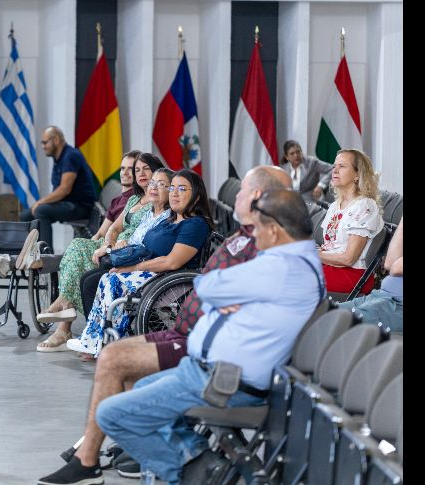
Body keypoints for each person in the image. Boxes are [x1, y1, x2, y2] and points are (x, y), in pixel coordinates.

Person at [36, 165, 291, 485]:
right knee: (117, 356)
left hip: (212, 354)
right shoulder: (245, 237)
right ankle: (136, 451)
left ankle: (122, 459)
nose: (233, 195)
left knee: (117, 365)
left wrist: (216, 294)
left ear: (256, 196)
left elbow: (220, 289)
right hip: (192, 332)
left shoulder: (272, 248)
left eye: (240, 191)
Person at [94, 189, 323, 485]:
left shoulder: (281, 267)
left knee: (111, 413)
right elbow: (209, 285)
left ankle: (194, 469)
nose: (254, 236)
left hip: (224, 381)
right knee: (143, 387)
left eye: (258, 228)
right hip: (211, 372)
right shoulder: (293, 262)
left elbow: (207, 286)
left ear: (275, 231)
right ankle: (197, 463)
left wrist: (223, 291)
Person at [65, 168, 213, 358]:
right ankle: (96, 339)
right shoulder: (171, 220)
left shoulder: (194, 225)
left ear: (197, 196)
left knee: (112, 280)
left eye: (182, 189)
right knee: (107, 277)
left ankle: (104, 342)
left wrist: (133, 267)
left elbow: (172, 261)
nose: (174, 193)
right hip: (152, 270)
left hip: (166, 277)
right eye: (173, 188)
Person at [28, 153, 166, 352]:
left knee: (79, 256)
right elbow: (115, 227)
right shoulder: (135, 198)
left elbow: (147, 232)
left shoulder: (157, 199)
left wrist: (111, 247)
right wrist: (106, 244)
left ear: (157, 172)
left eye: (146, 169)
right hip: (112, 244)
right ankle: (65, 308)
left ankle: (63, 307)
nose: (141, 174)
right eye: (137, 170)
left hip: (129, 248)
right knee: (77, 246)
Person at [0, 150, 145, 280]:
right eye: (122, 168)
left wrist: (95, 246)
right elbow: (101, 232)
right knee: (73, 251)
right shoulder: (118, 200)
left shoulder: (136, 201)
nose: (125, 173)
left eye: (131, 169)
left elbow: (121, 232)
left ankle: (11, 261)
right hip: (102, 244)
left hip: (113, 248)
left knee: (70, 252)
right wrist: (89, 244)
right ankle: (13, 260)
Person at [20, 126, 97, 253]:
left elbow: (64, 189)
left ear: (56, 140)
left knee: (41, 210)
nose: (43, 146)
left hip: (81, 207)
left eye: (45, 142)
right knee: (26, 215)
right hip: (68, 204)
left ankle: (46, 257)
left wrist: (40, 202)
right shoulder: (59, 158)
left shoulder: (70, 156)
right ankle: (27, 255)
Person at [319, 149, 383, 295]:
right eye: (334, 166)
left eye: (342, 166)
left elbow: (349, 259)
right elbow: (330, 245)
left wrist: (313, 255)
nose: (334, 170)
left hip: (351, 275)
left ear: (357, 174)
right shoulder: (335, 205)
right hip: (329, 266)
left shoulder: (365, 205)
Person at [336, 216, 403, 333]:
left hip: (398, 306)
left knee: (335, 322)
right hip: (382, 296)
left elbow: (396, 268)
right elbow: (390, 263)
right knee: (325, 313)